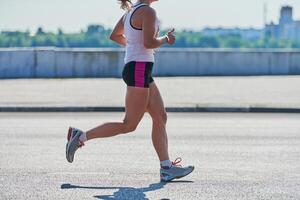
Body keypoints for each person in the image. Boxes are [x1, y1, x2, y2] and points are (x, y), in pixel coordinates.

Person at [65, 0, 194, 182]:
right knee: (129, 124)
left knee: (160, 116)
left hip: (139, 69)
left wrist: (133, 46)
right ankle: (81, 137)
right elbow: (149, 43)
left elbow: (115, 35)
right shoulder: (148, 12)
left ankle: (166, 168)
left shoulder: (131, 12)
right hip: (139, 70)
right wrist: (166, 39)